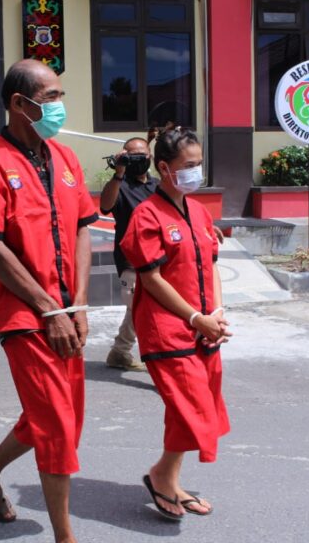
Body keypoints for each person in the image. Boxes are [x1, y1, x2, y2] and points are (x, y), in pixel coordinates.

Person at [0, 59, 97, 543]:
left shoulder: (64, 158)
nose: (60, 106)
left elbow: (83, 227)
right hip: (24, 312)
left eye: (60, 95)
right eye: (52, 96)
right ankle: (65, 537)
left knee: (60, 415)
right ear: (20, 104)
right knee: (57, 423)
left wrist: (77, 304)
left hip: (66, 308)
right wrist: (49, 309)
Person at [120, 127, 231, 521]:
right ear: (164, 168)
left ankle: (166, 477)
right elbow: (151, 278)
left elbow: (212, 265)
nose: (195, 172)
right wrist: (195, 317)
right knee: (193, 408)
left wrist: (215, 312)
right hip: (167, 329)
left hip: (204, 327)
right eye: (188, 165)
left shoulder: (199, 212)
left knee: (188, 410)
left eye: (200, 164)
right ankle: (162, 476)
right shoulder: (146, 215)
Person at [99, 137, 158, 371]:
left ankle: (120, 352)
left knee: (139, 308)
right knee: (143, 309)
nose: (137, 160)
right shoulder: (119, 186)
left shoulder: (157, 187)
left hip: (158, 259)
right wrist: (118, 173)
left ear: (150, 157)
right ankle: (159, 360)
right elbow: (104, 205)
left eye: (140, 155)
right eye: (130, 155)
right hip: (131, 261)